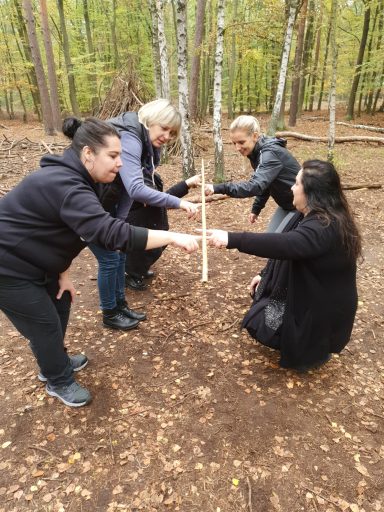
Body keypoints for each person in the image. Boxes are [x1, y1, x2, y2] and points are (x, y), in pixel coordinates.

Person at [0, 117, 199, 408]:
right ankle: (58, 379)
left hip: (37, 262)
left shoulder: (83, 181)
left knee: (61, 302)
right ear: (88, 154)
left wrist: (63, 273)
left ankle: (54, 358)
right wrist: (170, 236)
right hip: (9, 269)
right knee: (44, 325)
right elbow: (109, 232)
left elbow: (67, 235)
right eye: (114, 155)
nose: (120, 163)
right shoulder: (65, 185)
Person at [207, 160, 361, 372]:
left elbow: (286, 245)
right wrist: (265, 275)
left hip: (323, 309)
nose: (291, 187)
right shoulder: (311, 214)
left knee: (266, 325)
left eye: (297, 184)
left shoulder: (325, 226)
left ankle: (314, 349)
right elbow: (286, 250)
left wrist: (231, 239)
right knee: (260, 309)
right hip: (312, 294)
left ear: (311, 193)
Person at [89, 99, 199, 329]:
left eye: (172, 132)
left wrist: (118, 223)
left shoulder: (143, 144)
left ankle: (120, 306)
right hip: (87, 203)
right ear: (150, 120)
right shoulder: (129, 137)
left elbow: (127, 189)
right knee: (109, 259)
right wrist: (179, 202)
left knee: (118, 254)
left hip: (106, 204)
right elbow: (136, 189)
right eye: (164, 128)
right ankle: (110, 313)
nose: (167, 136)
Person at [205, 115, 300, 232]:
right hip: (287, 204)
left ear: (255, 136)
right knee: (270, 241)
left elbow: (255, 186)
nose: (237, 148)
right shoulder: (256, 153)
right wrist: (256, 209)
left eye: (241, 142)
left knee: (276, 245)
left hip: (303, 206)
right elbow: (266, 184)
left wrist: (218, 188)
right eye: (234, 143)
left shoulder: (269, 154)